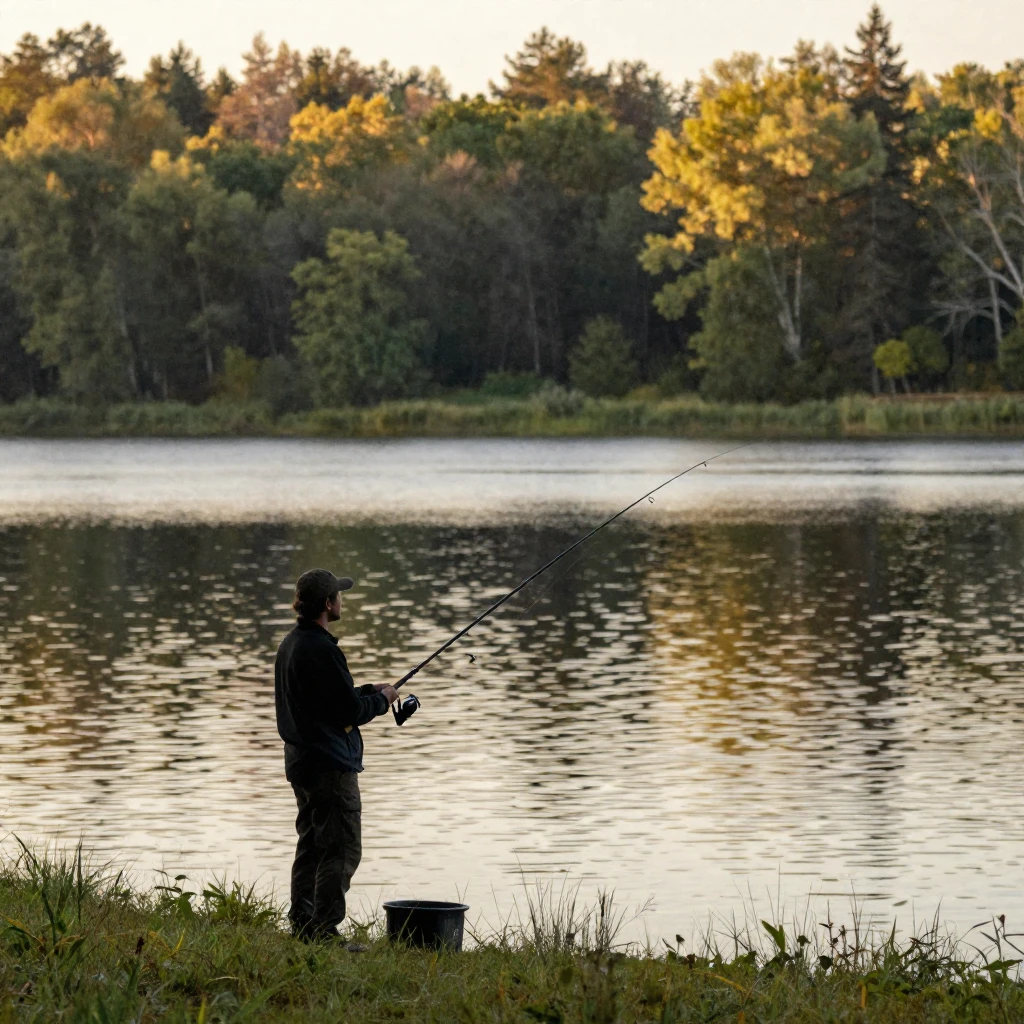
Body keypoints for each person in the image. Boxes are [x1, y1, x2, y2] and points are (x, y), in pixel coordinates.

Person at [275, 568, 399, 941]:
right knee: (342, 848)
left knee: (312, 845)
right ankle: (324, 929)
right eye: (338, 596)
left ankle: (303, 923)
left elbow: (326, 700)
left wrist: (368, 689)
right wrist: (382, 701)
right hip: (329, 766)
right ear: (328, 604)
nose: (342, 601)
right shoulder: (323, 649)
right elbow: (349, 712)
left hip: (301, 762)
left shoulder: (292, 644)